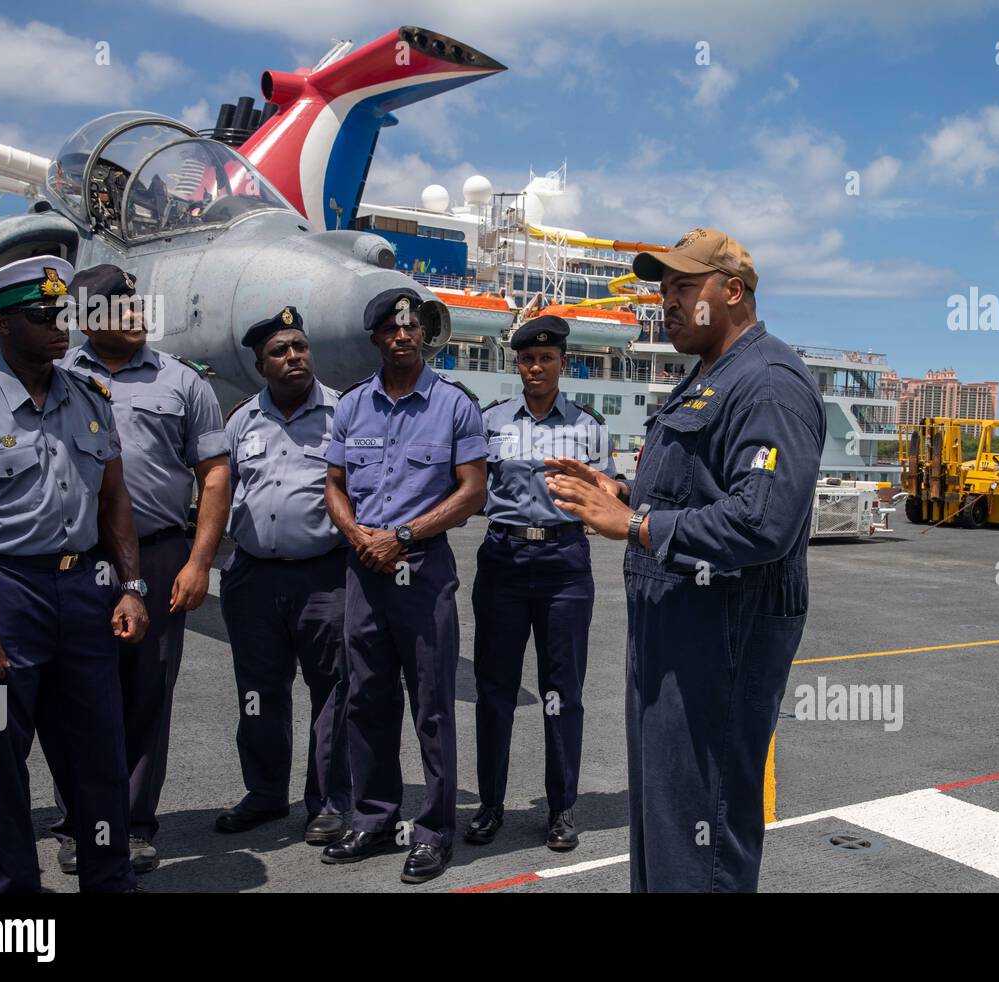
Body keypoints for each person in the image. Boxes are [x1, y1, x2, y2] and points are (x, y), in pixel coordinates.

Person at [546, 228, 825, 892]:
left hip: (718, 651)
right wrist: (619, 491)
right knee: (666, 838)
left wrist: (636, 522)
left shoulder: (767, 382)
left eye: (680, 287)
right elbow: (702, 489)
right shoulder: (708, 378)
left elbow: (764, 520)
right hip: (673, 646)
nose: (663, 303)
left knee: (702, 845)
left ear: (732, 292)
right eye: (661, 289)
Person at [0, 256, 149, 893]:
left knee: (100, 749)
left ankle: (109, 877)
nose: (60, 327)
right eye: (43, 317)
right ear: (4, 326)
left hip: (85, 588)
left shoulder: (90, 397)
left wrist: (131, 586)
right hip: (2, 592)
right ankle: (14, 897)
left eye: (61, 314)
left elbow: (114, 498)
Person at [51, 265, 230, 875]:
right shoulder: (56, 380)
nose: (133, 312)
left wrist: (199, 560)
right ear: (85, 320)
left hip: (156, 553)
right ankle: (81, 822)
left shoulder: (184, 383)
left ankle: (132, 824)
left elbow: (213, 474)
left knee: (147, 691)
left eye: (135, 303)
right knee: (74, 693)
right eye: (116, 306)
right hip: (73, 557)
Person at [321, 288, 487, 884]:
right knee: (366, 698)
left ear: (423, 335)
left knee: (432, 706)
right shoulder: (351, 406)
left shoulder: (453, 405)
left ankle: (434, 831)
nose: (403, 336)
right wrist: (356, 533)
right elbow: (334, 483)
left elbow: (472, 491)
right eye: (391, 329)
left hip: (422, 570)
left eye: (412, 327)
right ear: (376, 338)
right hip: (363, 569)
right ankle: (372, 817)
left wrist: (404, 535)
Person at [466, 314, 618, 851]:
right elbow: (470, 486)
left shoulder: (587, 424)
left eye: (546, 359)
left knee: (563, 693)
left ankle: (562, 809)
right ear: (518, 364)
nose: (536, 367)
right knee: (494, 690)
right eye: (528, 359)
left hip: (564, 563)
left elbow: (609, 491)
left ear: (562, 363)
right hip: (503, 559)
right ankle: (489, 806)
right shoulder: (490, 421)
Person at [216, 307, 351, 846]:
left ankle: (328, 800)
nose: (293, 356)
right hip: (253, 577)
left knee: (334, 691)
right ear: (260, 365)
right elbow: (218, 490)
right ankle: (266, 792)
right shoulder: (242, 419)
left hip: (325, 575)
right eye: (279, 351)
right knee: (258, 690)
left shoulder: (344, 414)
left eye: (299, 346)